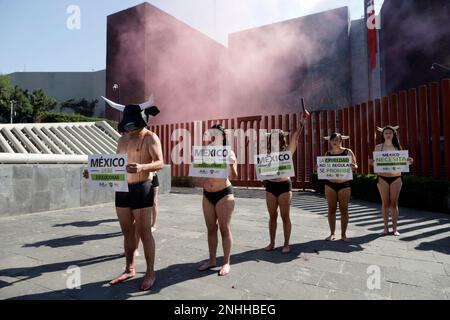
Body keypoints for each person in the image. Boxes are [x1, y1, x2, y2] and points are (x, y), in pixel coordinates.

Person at [84, 96, 163, 290]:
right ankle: (130, 268)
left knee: (144, 233)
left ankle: (150, 273)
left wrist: (143, 166)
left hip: (142, 187)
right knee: (127, 232)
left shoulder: (150, 137)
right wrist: (92, 172)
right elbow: (115, 165)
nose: (131, 129)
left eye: (134, 125)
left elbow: (160, 162)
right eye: (128, 126)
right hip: (123, 190)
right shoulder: (122, 138)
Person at [263, 111, 310, 254]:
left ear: (282, 139)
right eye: (273, 138)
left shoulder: (288, 152)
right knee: (272, 216)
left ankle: (286, 243)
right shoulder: (267, 153)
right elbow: (263, 169)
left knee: (285, 216)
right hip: (270, 186)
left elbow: (296, 137)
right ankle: (271, 242)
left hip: (284, 186)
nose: (275, 140)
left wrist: (302, 123)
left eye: (278, 138)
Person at [197, 124, 238, 276]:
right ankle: (212, 260)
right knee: (211, 229)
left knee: (224, 229)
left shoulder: (229, 152)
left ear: (223, 136)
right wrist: (197, 166)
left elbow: (234, 176)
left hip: (224, 194)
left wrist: (231, 164)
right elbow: (199, 177)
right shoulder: (205, 151)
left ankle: (226, 262)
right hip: (208, 193)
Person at [370, 125, 414, 236]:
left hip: (396, 177)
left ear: (393, 134)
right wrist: (371, 162)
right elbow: (374, 162)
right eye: (386, 133)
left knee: (394, 204)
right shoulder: (378, 147)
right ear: (383, 135)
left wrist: (409, 161)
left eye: (390, 133)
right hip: (382, 177)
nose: (388, 135)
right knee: (385, 203)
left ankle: (395, 229)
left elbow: (404, 162)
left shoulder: (398, 147)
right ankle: (385, 228)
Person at [322, 133, 358, 242]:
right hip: (330, 184)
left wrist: (353, 166)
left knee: (344, 210)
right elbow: (322, 167)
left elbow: (355, 166)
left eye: (336, 140)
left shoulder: (348, 152)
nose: (334, 142)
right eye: (332, 140)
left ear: (341, 141)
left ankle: (343, 234)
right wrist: (318, 167)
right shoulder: (328, 153)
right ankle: (332, 233)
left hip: (344, 184)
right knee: (331, 209)